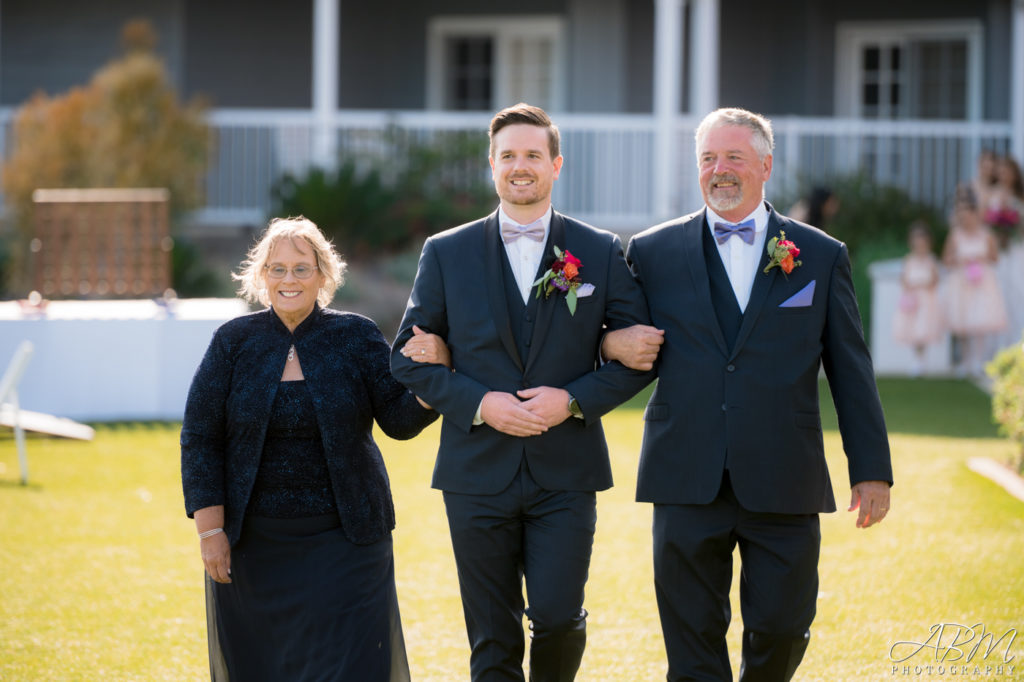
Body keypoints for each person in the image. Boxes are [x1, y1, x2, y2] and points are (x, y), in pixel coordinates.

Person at [601, 108, 893, 681]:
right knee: (690, 641)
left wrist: (871, 469)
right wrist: (611, 342)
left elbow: (850, 369)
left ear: (766, 165)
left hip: (785, 474)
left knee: (784, 627)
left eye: (733, 156)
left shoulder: (820, 254)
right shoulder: (652, 252)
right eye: (708, 158)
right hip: (685, 472)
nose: (719, 170)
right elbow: (616, 337)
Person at [390, 102, 653, 682]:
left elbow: (639, 356)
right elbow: (407, 360)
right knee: (492, 636)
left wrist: (573, 399)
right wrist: (481, 404)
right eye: (508, 155)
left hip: (566, 472)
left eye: (533, 154)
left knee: (558, 618)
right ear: (492, 165)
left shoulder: (598, 250)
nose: (520, 166)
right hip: (475, 473)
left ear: (556, 164)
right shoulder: (446, 251)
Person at [180, 217, 439, 681]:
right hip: (254, 547)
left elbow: (398, 420)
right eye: (277, 269)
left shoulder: (356, 335)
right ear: (261, 277)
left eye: (302, 268)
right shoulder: (232, 342)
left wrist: (433, 381)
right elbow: (200, 437)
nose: (289, 279)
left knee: (348, 669)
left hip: (348, 543)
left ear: (324, 275)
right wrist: (209, 531)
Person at [943, 188, 1008, 377]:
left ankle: (979, 360)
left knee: (980, 321)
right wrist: (960, 260)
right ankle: (965, 361)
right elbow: (946, 259)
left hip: (982, 283)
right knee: (962, 322)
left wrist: (980, 259)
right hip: (961, 283)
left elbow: (995, 258)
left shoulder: (986, 234)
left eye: (967, 212)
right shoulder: (955, 235)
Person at [892, 220, 943, 376]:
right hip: (913, 301)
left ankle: (922, 360)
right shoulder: (909, 259)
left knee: (923, 329)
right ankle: (917, 360)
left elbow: (935, 280)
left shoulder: (931, 260)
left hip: (926, 301)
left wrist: (921, 284)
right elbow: (904, 279)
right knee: (914, 330)